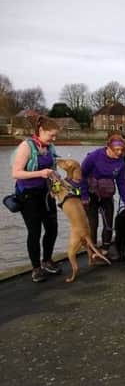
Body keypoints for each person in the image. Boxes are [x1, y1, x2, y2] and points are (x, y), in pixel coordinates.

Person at [11, 116, 61, 282]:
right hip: (28, 195)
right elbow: (16, 173)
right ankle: (36, 268)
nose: (54, 139)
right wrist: (40, 173)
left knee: (52, 228)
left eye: (55, 136)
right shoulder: (26, 146)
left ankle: (47, 260)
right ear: (41, 131)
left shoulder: (49, 147)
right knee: (34, 232)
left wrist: (56, 184)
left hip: (46, 193)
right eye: (51, 135)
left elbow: (52, 170)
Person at [81, 132, 125, 253]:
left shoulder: (120, 162)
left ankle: (105, 249)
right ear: (108, 147)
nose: (119, 153)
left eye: (121, 150)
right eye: (116, 150)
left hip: (107, 195)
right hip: (91, 194)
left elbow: (121, 183)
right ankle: (92, 251)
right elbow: (82, 175)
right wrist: (84, 196)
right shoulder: (94, 156)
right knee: (93, 224)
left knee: (109, 223)